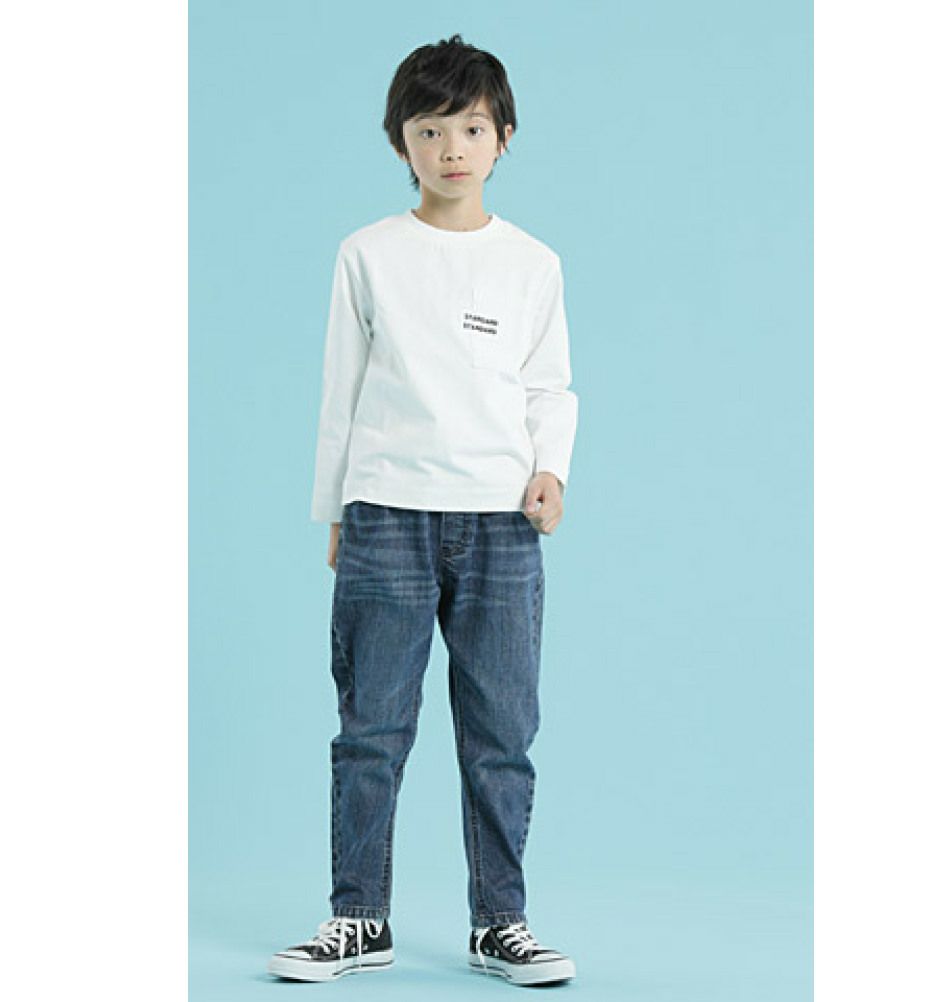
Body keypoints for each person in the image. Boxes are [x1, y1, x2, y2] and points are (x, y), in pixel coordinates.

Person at [267, 34, 579, 988]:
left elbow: (549, 385)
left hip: (501, 524)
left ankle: (501, 923)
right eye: (430, 128)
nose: (452, 147)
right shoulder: (368, 254)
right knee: (370, 731)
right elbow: (342, 387)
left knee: (501, 739)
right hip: (386, 517)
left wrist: (552, 473)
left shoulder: (532, 263)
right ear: (400, 141)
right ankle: (358, 917)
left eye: (472, 128)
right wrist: (336, 509)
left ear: (504, 136)